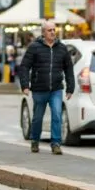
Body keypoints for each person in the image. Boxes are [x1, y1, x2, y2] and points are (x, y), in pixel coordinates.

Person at [18, 20, 75, 155]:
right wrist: (25, 85)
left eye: (54, 30)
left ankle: (56, 143)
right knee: (38, 117)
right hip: (39, 88)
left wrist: (70, 88)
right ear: (43, 32)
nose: (53, 32)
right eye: (50, 30)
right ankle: (35, 140)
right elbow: (24, 67)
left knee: (57, 115)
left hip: (56, 89)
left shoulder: (61, 48)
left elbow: (68, 69)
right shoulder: (34, 47)